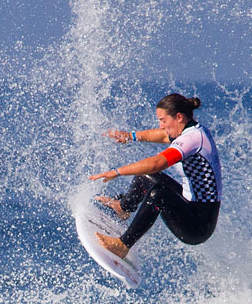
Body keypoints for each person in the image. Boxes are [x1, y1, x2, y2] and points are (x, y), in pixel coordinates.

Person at [88, 93, 223, 259]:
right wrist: (130, 136)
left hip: (198, 226)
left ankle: (123, 245)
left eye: (163, 120)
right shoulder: (191, 129)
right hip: (187, 204)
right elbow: (162, 135)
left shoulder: (193, 139)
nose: (160, 125)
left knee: (159, 194)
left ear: (178, 117)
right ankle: (123, 207)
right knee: (146, 176)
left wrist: (116, 172)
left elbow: (157, 163)